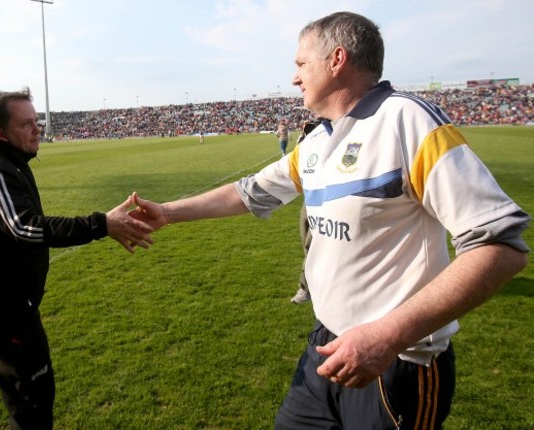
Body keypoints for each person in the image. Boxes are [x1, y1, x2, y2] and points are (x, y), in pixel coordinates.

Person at [129, 11, 530, 430]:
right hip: (326, 345)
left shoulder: (407, 121)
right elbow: (250, 193)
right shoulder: (319, 139)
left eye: (301, 64)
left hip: (394, 362)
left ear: (336, 60)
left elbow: (500, 246)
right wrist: (169, 213)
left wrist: (388, 337)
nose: (295, 78)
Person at [0, 89, 155, 430]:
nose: (37, 129)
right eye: (26, 124)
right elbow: (24, 228)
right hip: (0, 304)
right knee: (32, 395)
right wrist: (101, 224)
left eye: (36, 121)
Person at [290, 120, 320, 304]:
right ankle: (308, 287)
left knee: (314, 245)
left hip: (332, 199)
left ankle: (305, 287)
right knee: (307, 244)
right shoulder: (306, 143)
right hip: (310, 200)